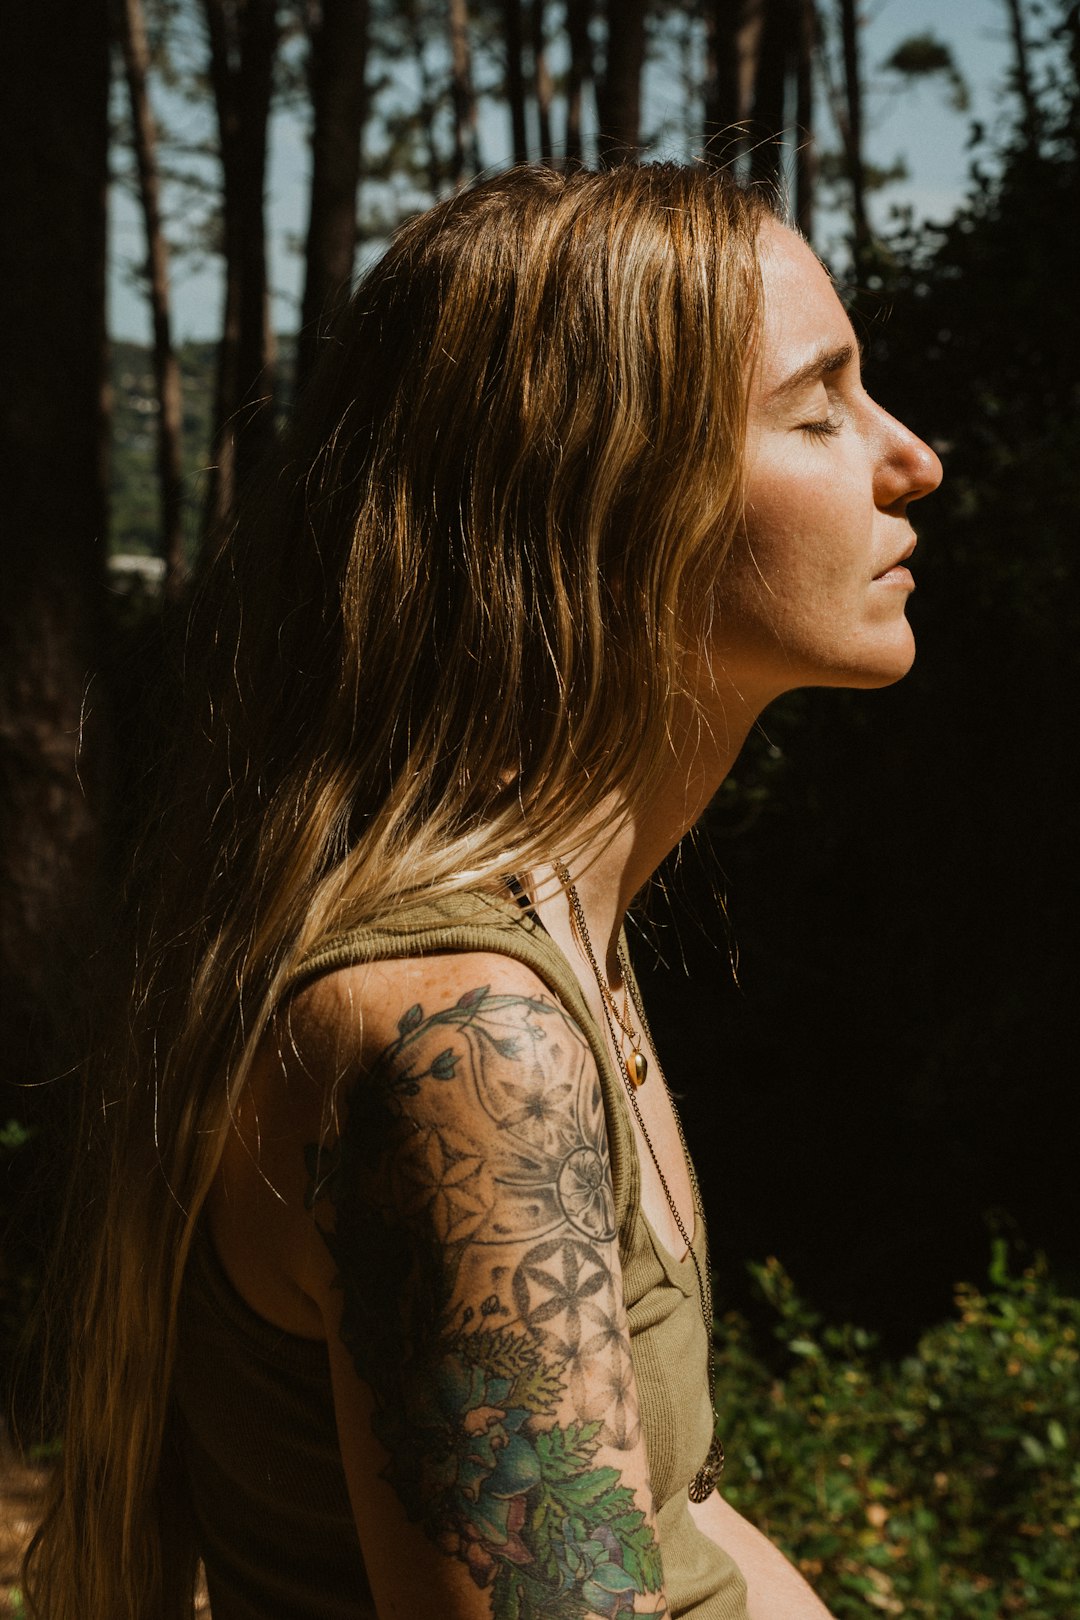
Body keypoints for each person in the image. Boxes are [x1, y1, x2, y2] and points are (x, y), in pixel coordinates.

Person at [23, 162, 941, 1620]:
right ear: (609, 496)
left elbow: (675, 1505)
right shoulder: (468, 1045)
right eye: (820, 408)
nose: (911, 462)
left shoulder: (550, 951)